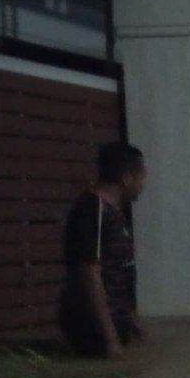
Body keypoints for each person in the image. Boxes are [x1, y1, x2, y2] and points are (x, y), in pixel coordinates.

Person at [58, 142, 146, 358]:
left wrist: (129, 322)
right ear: (127, 177)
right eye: (142, 175)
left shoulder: (114, 211)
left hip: (114, 325)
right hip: (94, 329)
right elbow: (90, 274)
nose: (144, 182)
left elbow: (117, 271)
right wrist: (110, 338)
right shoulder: (92, 210)